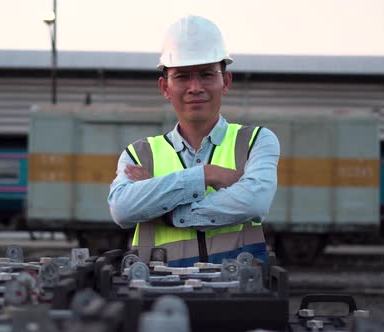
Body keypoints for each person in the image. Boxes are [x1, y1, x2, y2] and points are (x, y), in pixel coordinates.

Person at [108, 15, 280, 267]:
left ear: (226, 82)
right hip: (158, 294)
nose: (195, 87)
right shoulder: (138, 154)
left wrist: (163, 210)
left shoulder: (256, 141)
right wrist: (205, 175)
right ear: (165, 87)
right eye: (182, 76)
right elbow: (122, 210)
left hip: (240, 295)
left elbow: (254, 202)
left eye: (207, 74)